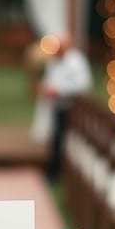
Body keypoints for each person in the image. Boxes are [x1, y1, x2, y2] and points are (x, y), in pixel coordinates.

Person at [36, 35, 92, 180]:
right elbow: (49, 79)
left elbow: (83, 85)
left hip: (71, 108)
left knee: (66, 139)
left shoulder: (76, 62)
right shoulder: (53, 61)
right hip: (56, 106)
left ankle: (61, 172)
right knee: (55, 138)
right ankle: (54, 170)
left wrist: (59, 90)